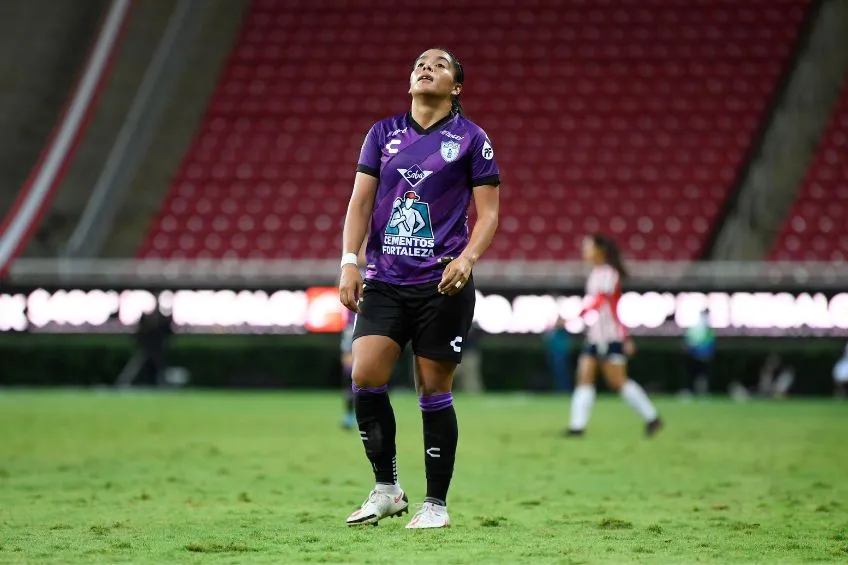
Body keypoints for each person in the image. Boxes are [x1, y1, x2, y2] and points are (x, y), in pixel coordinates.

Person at [338, 48, 500, 529]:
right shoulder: (381, 134)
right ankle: (387, 489)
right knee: (365, 375)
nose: (426, 67)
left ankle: (435, 506)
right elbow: (360, 202)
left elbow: (489, 215)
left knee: (433, 388)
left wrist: (468, 260)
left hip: (442, 285)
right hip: (385, 280)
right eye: (419, 64)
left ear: (456, 88)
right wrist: (351, 261)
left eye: (440, 64)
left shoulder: (472, 140)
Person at [566, 234, 662, 437]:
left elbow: (603, 301)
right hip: (596, 336)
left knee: (617, 381)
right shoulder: (596, 273)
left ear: (600, 250)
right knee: (585, 377)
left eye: (588, 246)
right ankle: (576, 427)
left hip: (608, 336)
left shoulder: (609, 273)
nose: (584, 251)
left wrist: (575, 316)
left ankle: (652, 417)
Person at [681, 309, 715, 399]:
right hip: (693, 357)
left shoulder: (709, 331)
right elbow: (688, 342)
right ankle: (688, 392)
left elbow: (711, 345)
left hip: (705, 358)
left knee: (703, 377)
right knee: (691, 376)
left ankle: (702, 393)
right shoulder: (694, 329)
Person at [544, 316, 573, 393]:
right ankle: (557, 390)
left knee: (563, 374)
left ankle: (565, 390)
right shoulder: (553, 332)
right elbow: (548, 341)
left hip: (561, 355)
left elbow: (567, 344)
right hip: (553, 354)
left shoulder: (564, 332)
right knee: (556, 374)